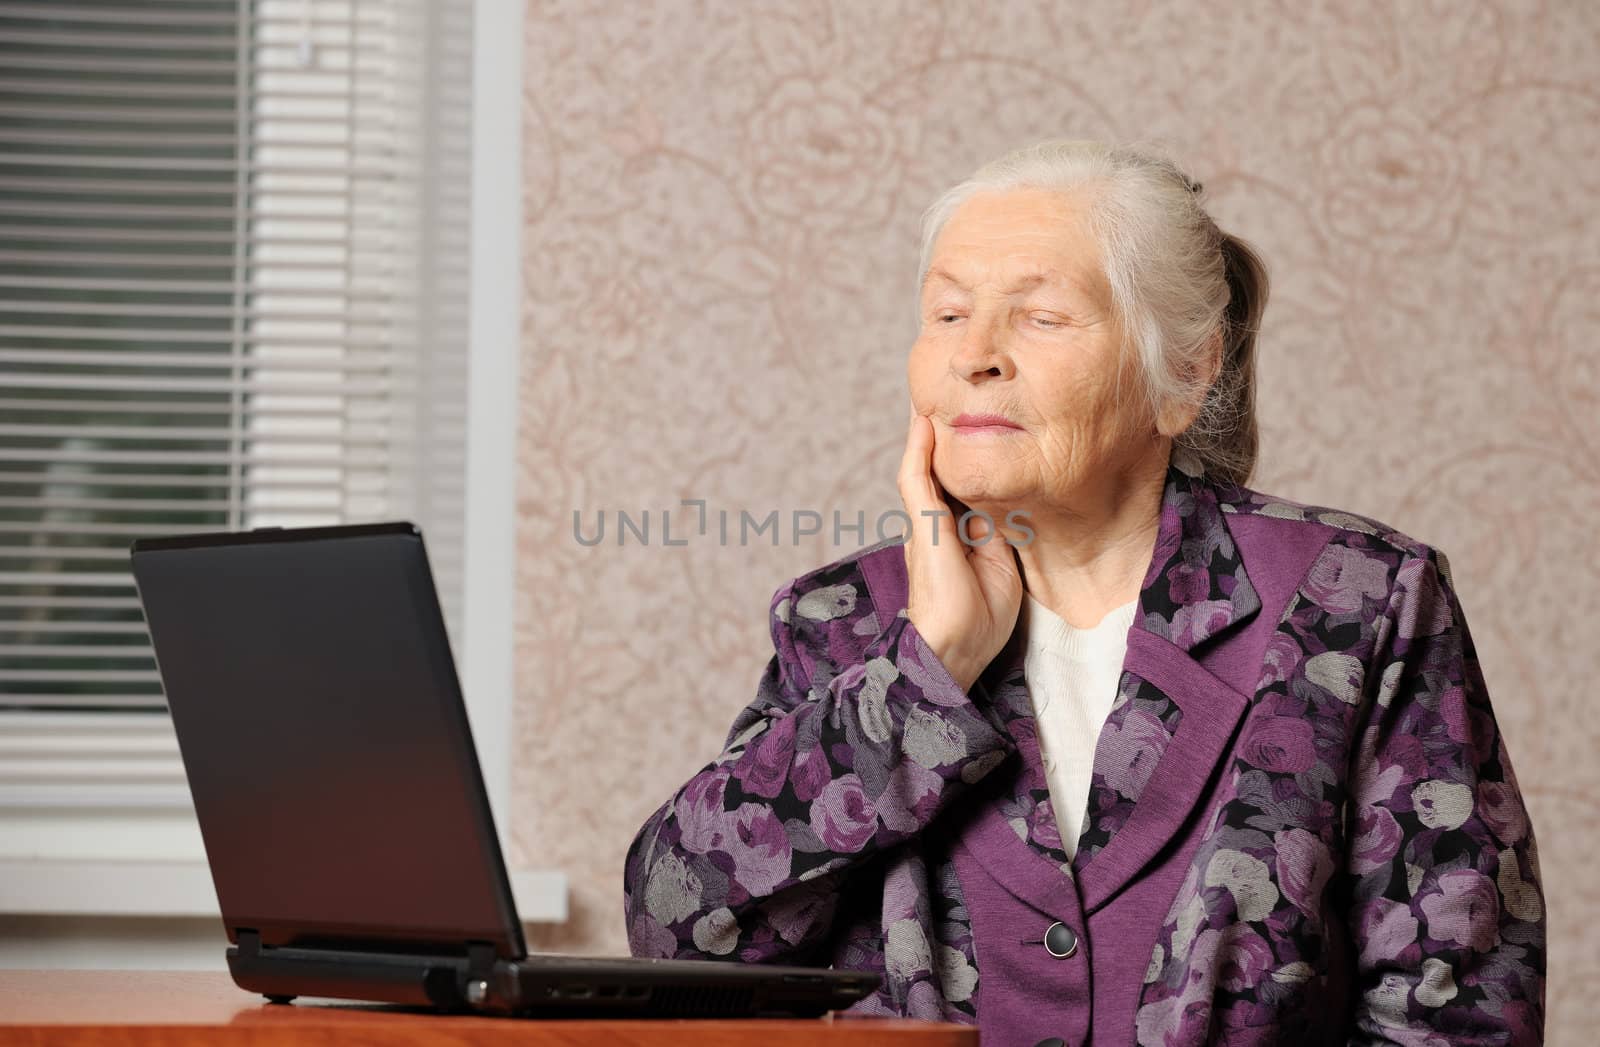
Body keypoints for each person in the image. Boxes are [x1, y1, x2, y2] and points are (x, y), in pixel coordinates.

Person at [622, 139, 1546, 1046]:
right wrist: (921, 673)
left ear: (1183, 375)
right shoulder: (844, 620)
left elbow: (1461, 1010)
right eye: (947, 315)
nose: (975, 354)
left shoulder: (1360, 601)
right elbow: (676, 923)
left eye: (1040, 317)